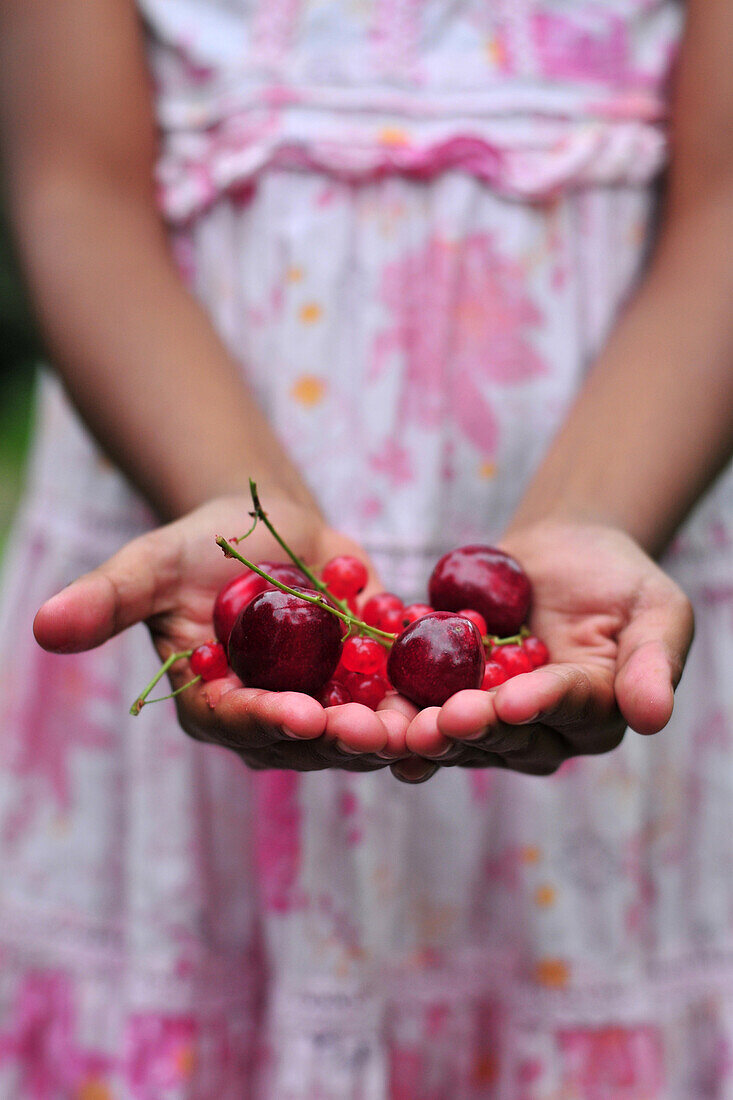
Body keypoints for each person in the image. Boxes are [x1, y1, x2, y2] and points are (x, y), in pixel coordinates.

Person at [0, 0, 731, 1095]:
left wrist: (599, 512)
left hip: (633, 463)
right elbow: (74, 184)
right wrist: (232, 505)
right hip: (180, 452)